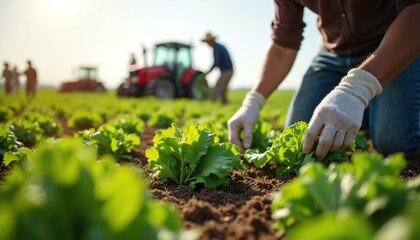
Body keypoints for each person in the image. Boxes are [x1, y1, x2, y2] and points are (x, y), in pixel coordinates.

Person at [228, 1, 420, 160]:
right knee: (301, 135)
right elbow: (283, 44)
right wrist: (253, 101)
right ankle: (370, 115)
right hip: (333, 52)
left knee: (395, 143)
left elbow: (415, 11)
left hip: (394, 44)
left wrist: (357, 89)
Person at [201, 32, 234, 104]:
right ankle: (225, 104)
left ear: (211, 41)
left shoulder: (217, 48)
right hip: (227, 70)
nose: (207, 44)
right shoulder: (218, 47)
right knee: (223, 89)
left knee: (218, 86)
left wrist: (208, 72)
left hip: (227, 70)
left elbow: (216, 62)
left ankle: (212, 103)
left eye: (208, 42)